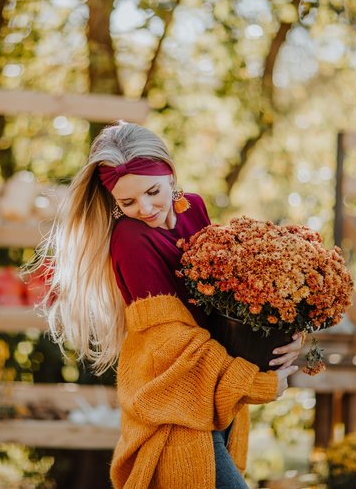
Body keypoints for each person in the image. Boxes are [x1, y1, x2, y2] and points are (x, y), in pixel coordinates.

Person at [41, 121, 301, 488]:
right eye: (126, 202)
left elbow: (222, 303)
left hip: (212, 389)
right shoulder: (130, 240)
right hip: (172, 400)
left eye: (152, 191)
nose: (144, 208)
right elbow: (171, 343)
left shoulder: (194, 208)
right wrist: (253, 381)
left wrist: (278, 330)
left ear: (170, 174)